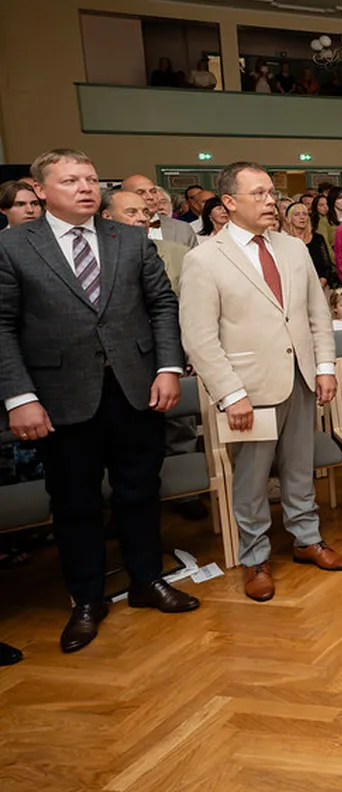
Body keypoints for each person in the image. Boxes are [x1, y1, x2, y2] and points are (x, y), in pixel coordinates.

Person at [1, 148, 199, 652]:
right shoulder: (13, 246)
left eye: (90, 179)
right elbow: (3, 327)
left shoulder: (130, 239)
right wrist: (19, 396)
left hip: (136, 389)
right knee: (75, 502)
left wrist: (168, 368)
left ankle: (146, 580)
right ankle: (87, 598)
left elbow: (161, 306)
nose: (87, 188)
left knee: (139, 491)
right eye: (71, 180)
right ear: (42, 190)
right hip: (59, 396)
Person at [180, 160, 342, 601]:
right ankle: (255, 556)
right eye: (259, 193)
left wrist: (325, 368)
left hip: (300, 379)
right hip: (248, 388)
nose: (270, 201)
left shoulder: (292, 249)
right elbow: (199, 338)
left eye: (272, 193)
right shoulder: (204, 259)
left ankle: (307, 538)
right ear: (230, 202)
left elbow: (317, 313)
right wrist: (231, 394)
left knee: (299, 465)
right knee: (252, 477)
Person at [100, 188, 187, 293]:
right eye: (132, 212)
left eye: (146, 213)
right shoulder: (92, 257)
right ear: (107, 217)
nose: (143, 218)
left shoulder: (179, 254)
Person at [124, 175, 199, 248]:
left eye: (153, 191)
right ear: (125, 197)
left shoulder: (182, 229)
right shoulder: (116, 228)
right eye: (141, 192)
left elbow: (193, 259)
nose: (150, 197)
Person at [283, 201, 340, 288]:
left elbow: (326, 267)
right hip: (293, 288)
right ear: (289, 218)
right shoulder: (285, 242)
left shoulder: (318, 239)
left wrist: (320, 285)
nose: (302, 217)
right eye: (297, 214)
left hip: (320, 287)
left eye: (304, 214)